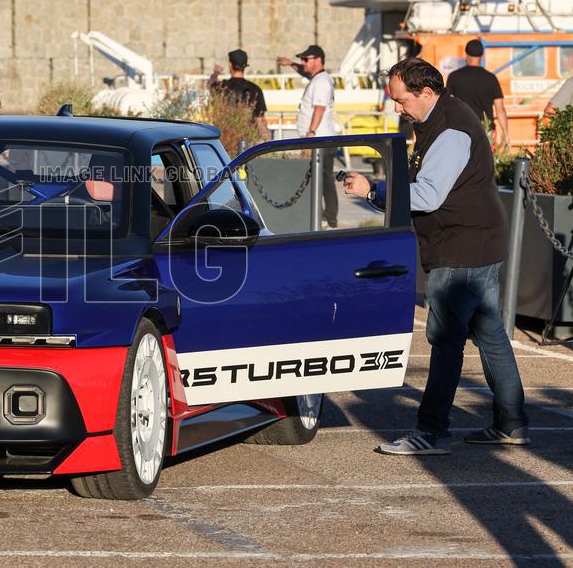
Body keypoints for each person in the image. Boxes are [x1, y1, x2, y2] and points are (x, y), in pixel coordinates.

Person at [342, 57, 528, 456]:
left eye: (401, 100)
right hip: (476, 240)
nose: (397, 108)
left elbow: (427, 195)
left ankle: (431, 431)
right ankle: (511, 424)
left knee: (446, 339)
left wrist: (374, 191)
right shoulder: (440, 119)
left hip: (462, 246)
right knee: (490, 334)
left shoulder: (450, 129)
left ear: (426, 92)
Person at [277, 44, 338, 228]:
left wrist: (311, 132)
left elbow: (319, 108)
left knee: (323, 180)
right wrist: (291, 64)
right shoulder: (317, 78)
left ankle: (329, 218)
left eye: (306, 59)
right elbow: (304, 72)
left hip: (320, 140)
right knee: (320, 179)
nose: (303, 63)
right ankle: (322, 215)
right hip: (318, 139)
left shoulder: (321, 82)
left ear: (318, 60)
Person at [446, 39, 510, 147]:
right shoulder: (491, 78)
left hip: (461, 130)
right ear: (482, 56)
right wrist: (506, 134)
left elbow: (449, 105)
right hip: (485, 130)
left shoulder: (454, 77)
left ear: (466, 55)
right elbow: (500, 109)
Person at [208, 49, 268, 138]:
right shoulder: (255, 90)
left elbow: (210, 84)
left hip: (225, 138)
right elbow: (260, 120)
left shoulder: (221, 87)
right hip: (248, 139)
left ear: (230, 64)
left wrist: (216, 73)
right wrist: (267, 142)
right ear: (245, 66)